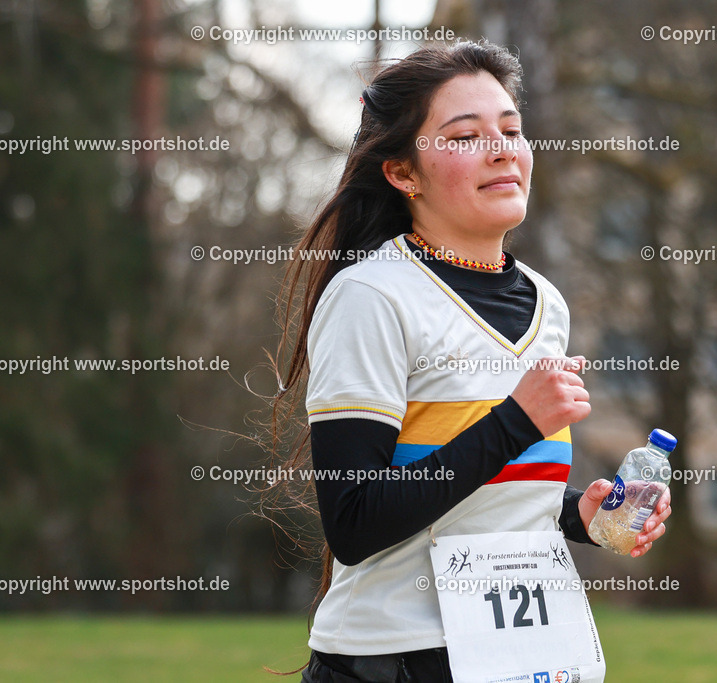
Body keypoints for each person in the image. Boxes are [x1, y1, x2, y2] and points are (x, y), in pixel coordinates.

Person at [271, 40, 672, 683]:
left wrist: (578, 515)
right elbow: (353, 520)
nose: (502, 148)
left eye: (511, 129)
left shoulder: (548, 303)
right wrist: (517, 420)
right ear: (403, 173)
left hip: (524, 657)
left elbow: (491, 497)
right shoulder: (371, 296)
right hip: (393, 659)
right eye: (464, 136)